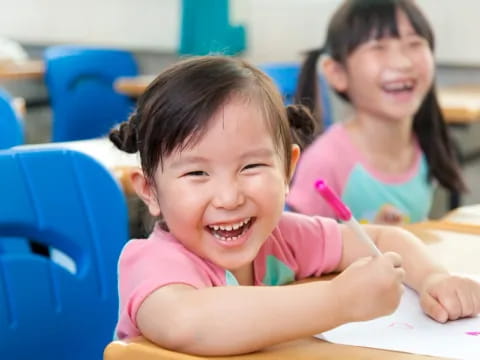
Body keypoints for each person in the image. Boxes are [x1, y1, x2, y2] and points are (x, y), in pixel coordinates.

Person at [109, 56, 480, 356]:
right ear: (151, 191)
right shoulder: (152, 262)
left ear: (288, 168)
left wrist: (433, 278)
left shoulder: (284, 236)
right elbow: (188, 323)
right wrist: (339, 300)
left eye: (251, 166)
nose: (229, 197)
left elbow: (383, 239)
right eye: (197, 173)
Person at [287, 0, 465, 225]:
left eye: (414, 44)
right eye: (378, 47)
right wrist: (375, 240)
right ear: (337, 72)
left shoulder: (427, 142)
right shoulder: (325, 162)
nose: (402, 62)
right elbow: (296, 254)